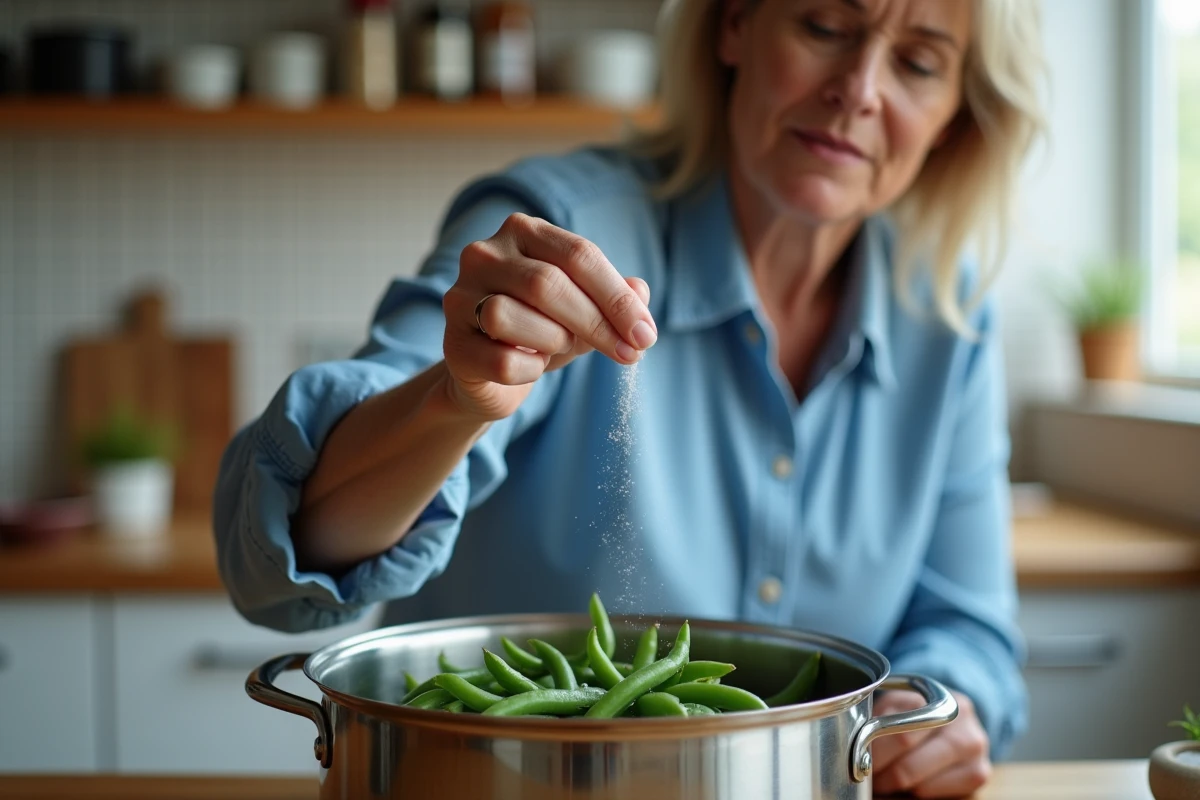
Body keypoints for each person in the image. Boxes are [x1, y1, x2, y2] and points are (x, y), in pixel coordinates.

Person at [214, 0, 1045, 795]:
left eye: (919, 62)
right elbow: (274, 561)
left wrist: (937, 711)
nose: (860, 90)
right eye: (826, 26)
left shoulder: (947, 314)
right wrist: (455, 398)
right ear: (734, 24)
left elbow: (965, 630)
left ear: (957, 113)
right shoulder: (564, 229)